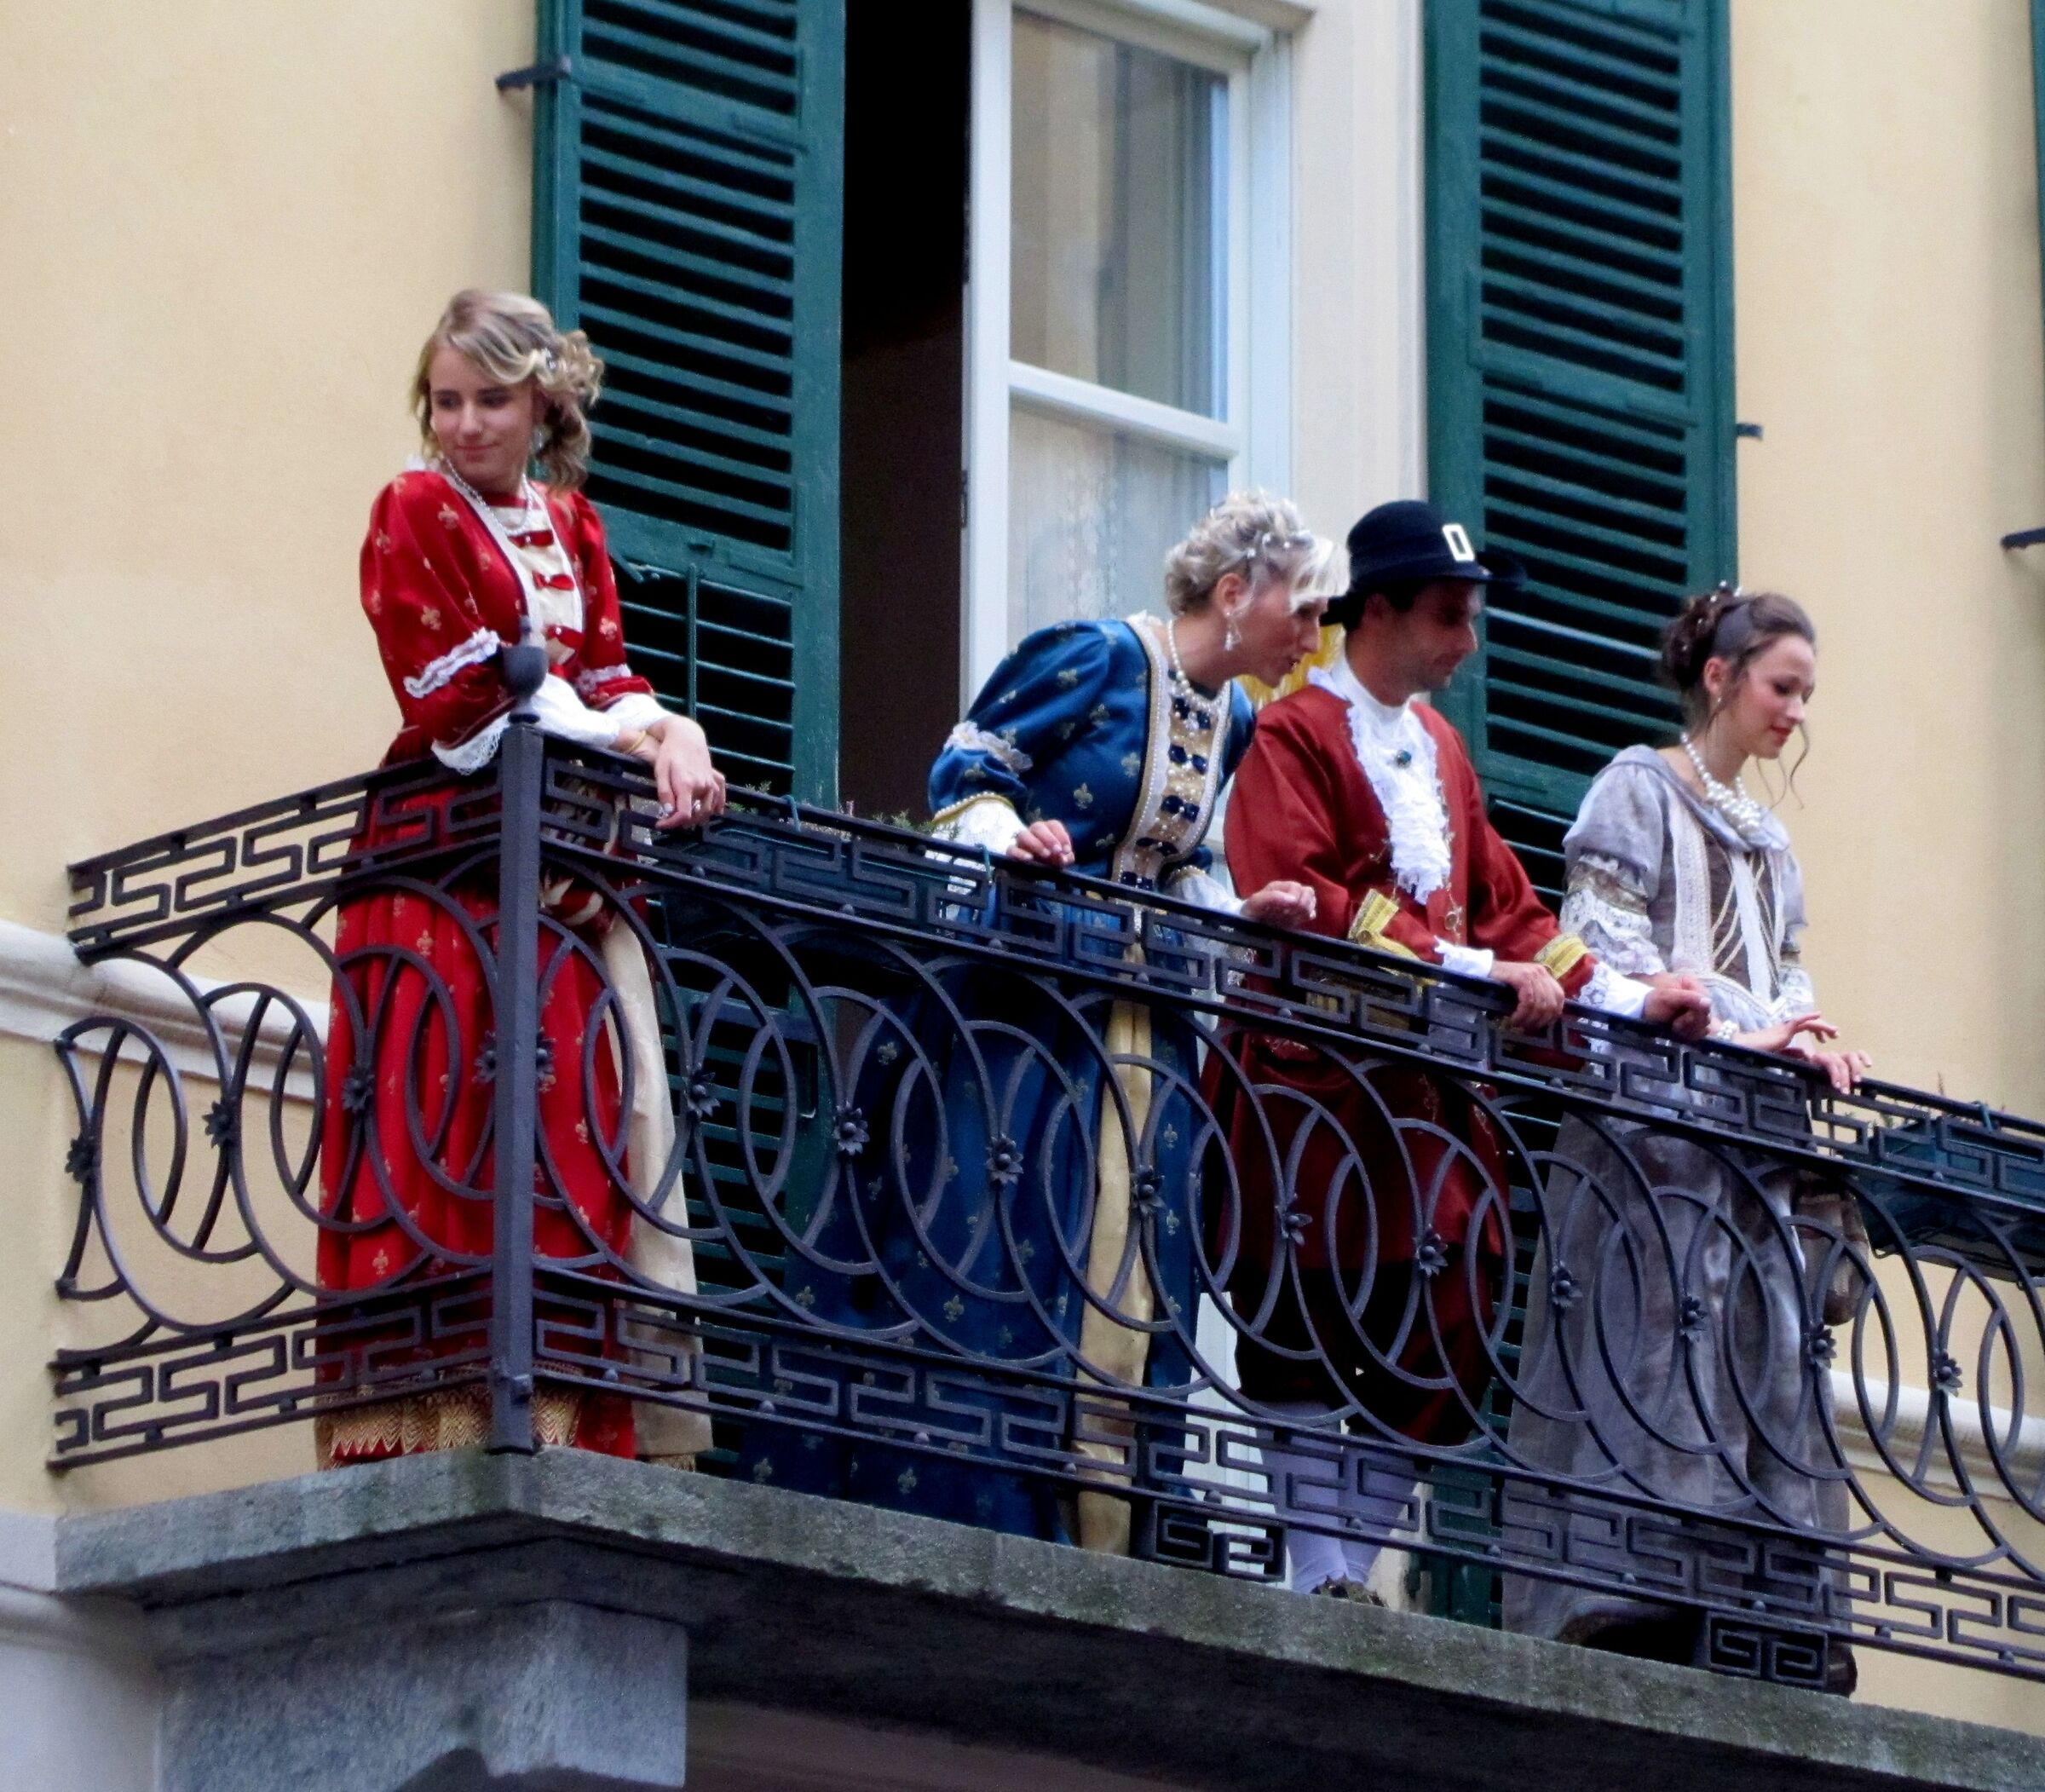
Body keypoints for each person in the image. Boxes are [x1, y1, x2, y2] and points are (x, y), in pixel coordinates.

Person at [742, 492, 1328, 1552]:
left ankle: (1106, 1518)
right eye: (1305, 605)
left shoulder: (1233, 718)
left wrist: (1245, 913)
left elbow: (1177, 869)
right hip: (1018, 1010)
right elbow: (967, 770)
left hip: (1142, 1026)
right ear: (1236, 594)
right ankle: (971, 1506)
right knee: (1003, 1241)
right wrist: (1013, 839)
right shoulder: (1093, 658)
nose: (1314, 634)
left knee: (1137, 1256)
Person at [1211, 499, 1712, 1599]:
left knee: (1447, 1324)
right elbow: (1316, 894)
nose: (1467, 641)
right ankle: (1318, 1567)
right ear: (1374, 611)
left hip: (1428, 1090)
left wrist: (1627, 993)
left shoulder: (1439, 746)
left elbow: (1513, 910)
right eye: (1449, 614)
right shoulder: (1291, 731)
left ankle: (1344, 1564)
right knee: (1296, 1298)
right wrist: (1483, 973)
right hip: (1311, 1075)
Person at [316, 291, 723, 1466]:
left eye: (489, 399)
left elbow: (602, 671)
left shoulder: (574, 525)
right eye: (446, 400)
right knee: (457, 1108)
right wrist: (638, 741)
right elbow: (464, 692)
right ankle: (435, 1412)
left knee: (573, 1118)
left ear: (541, 402)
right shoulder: (413, 510)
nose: (464, 424)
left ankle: (568, 1407)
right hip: (445, 860)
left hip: (561, 865)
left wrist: (673, 728)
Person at [1503, 586, 1867, 1685]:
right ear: (1720, 677)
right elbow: (1594, 945)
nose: (1795, 713)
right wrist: (1718, 1017)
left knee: (1757, 1360)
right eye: (1781, 688)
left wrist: (1805, 1040)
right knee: (1652, 1348)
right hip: (1653, 1132)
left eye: (1805, 695)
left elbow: (1785, 978)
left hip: (1747, 1142)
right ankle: (1624, 1597)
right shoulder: (1636, 787)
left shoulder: (1771, 840)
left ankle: (1761, 1606)